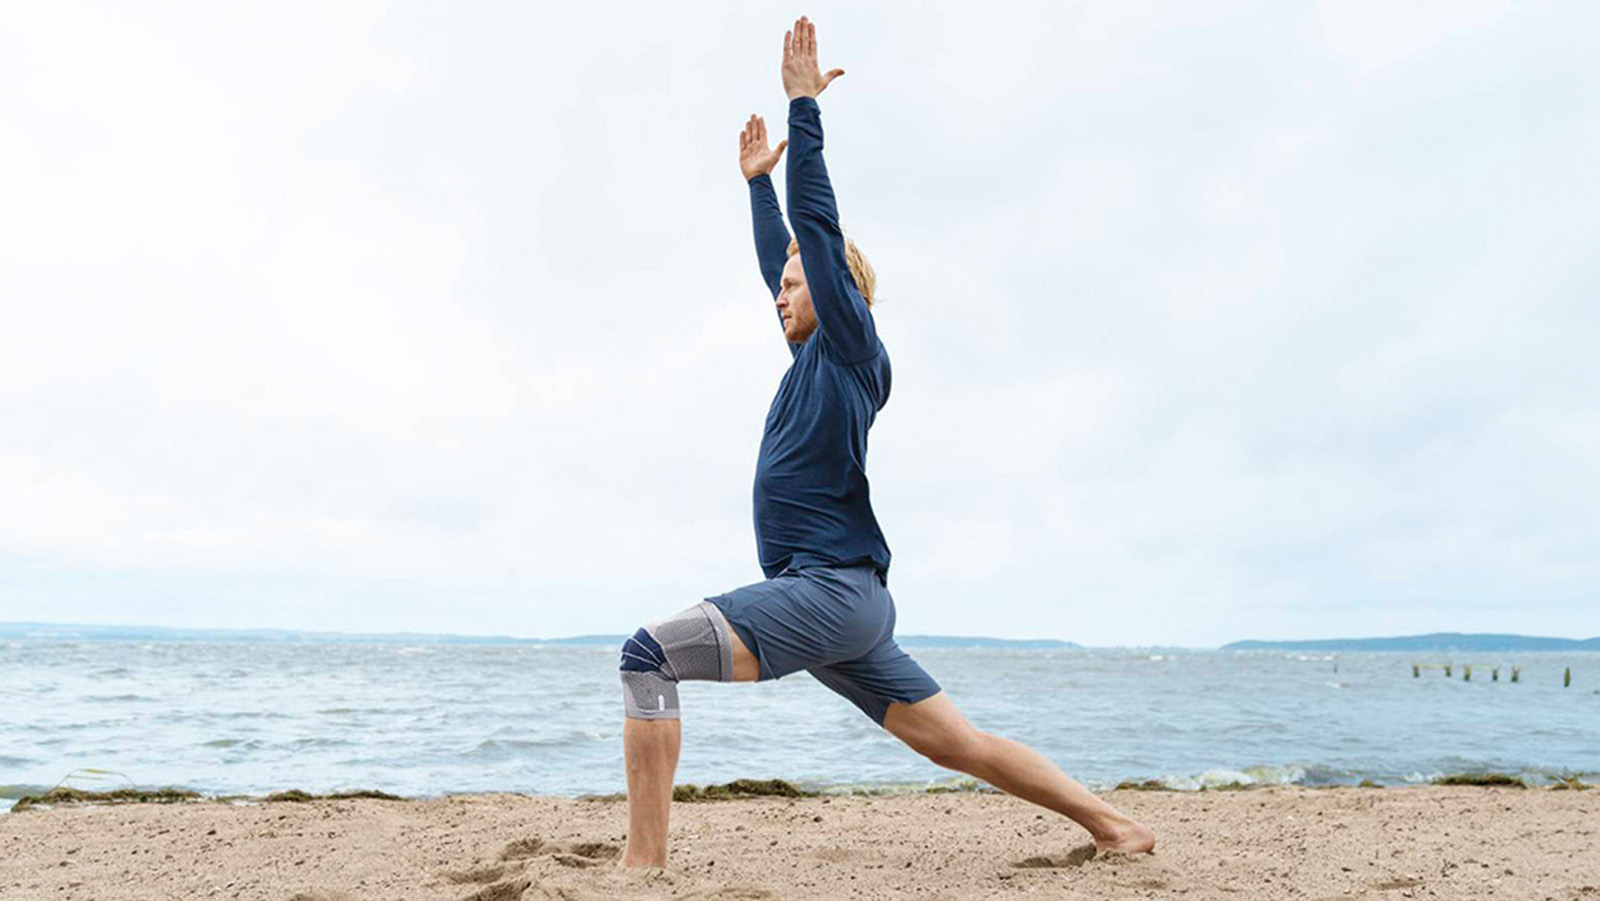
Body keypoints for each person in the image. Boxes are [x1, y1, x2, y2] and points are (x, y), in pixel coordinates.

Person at [618, 15, 1156, 869]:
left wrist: (803, 112)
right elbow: (785, 258)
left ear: (840, 294)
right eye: (781, 286)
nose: (779, 293)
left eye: (797, 286)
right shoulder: (808, 363)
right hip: (844, 602)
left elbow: (817, 237)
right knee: (959, 744)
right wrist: (758, 187)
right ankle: (1119, 826)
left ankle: (642, 867)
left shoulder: (852, 348)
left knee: (648, 654)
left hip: (831, 591)